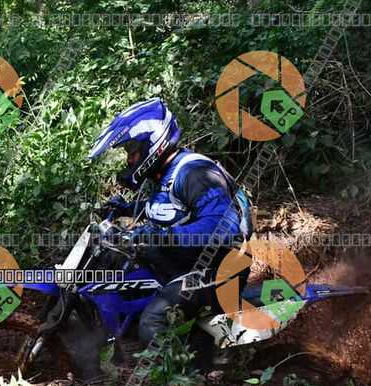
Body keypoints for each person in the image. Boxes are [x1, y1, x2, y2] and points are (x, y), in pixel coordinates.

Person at [88, 98, 254, 351]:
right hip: (185, 262)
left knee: (152, 323)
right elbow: (171, 208)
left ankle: (192, 373)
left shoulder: (194, 172)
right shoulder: (165, 173)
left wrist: (162, 236)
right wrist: (125, 208)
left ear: (153, 142)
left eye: (132, 151)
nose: (130, 160)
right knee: (119, 273)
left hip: (219, 267)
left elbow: (223, 228)